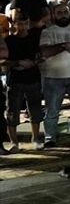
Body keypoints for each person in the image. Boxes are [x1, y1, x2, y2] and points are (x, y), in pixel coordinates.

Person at [3, 14, 44, 149]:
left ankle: (36, 138)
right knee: (12, 111)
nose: (23, 26)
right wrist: (17, 63)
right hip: (15, 78)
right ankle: (14, 142)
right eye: (20, 23)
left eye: (25, 23)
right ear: (14, 24)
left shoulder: (34, 38)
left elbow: (41, 56)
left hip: (32, 76)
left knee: (35, 109)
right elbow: (3, 60)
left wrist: (32, 63)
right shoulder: (8, 40)